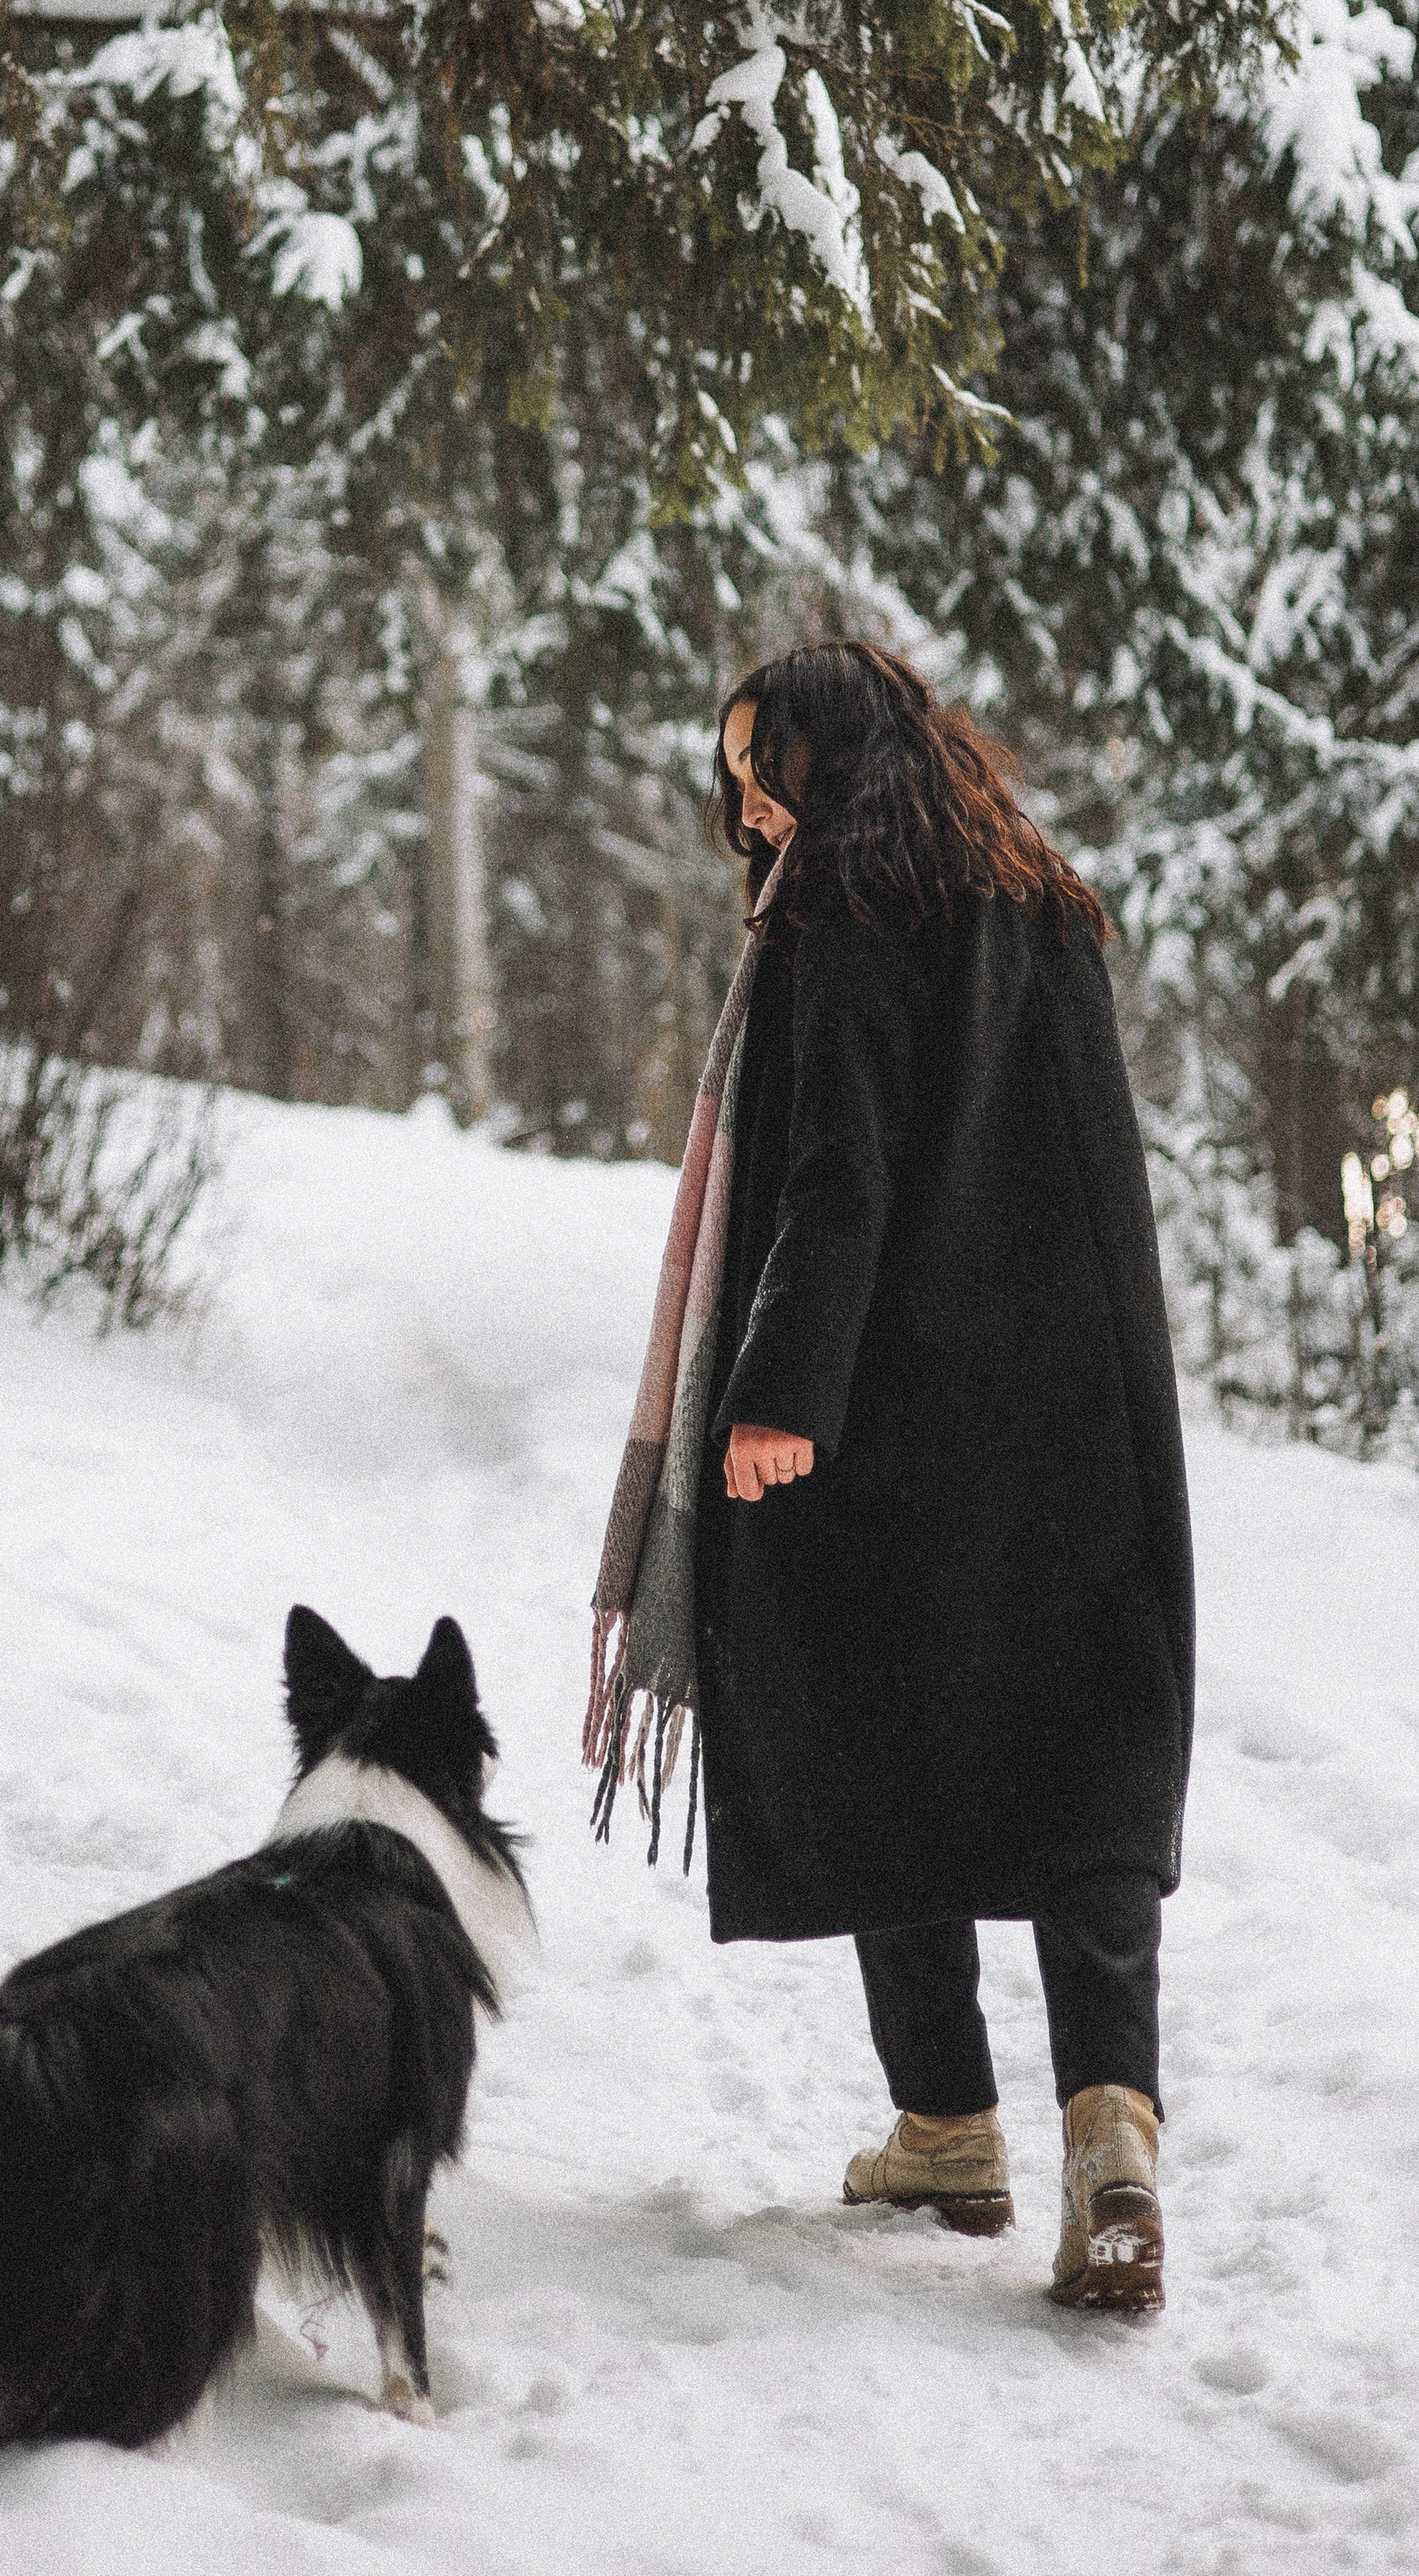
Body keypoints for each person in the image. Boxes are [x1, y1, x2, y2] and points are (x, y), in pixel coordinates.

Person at [586, 638, 1193, 2311]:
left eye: (766, 760)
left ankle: (944, 2118)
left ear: (839, 761)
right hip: (1079, 1421)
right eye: (733, 771)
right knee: (1079, 1776)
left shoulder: (844, 914)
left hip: (892, 1411)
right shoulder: (1043, 905)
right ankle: (1110, 2133)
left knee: (880, 1731)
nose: (749, 797)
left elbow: (837, 1173)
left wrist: (779, 1391)